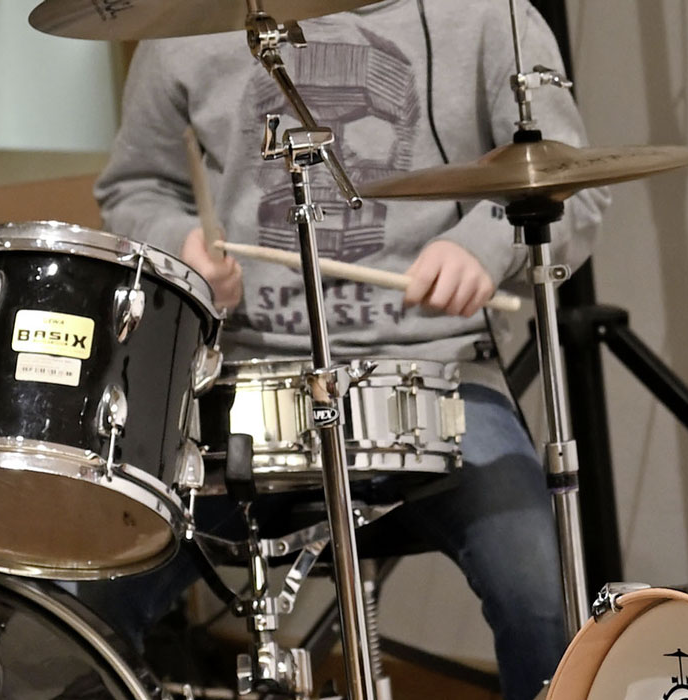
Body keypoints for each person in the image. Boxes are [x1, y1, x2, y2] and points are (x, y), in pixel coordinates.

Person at [84, 2, 606, 699]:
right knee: (85, 593)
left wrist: (481, 246)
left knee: (540, 589)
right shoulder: (188, 20)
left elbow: (570, 182)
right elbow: (134, 186)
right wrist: (180, 244)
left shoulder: (490, 15)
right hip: (241, 382)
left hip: (438, 375)